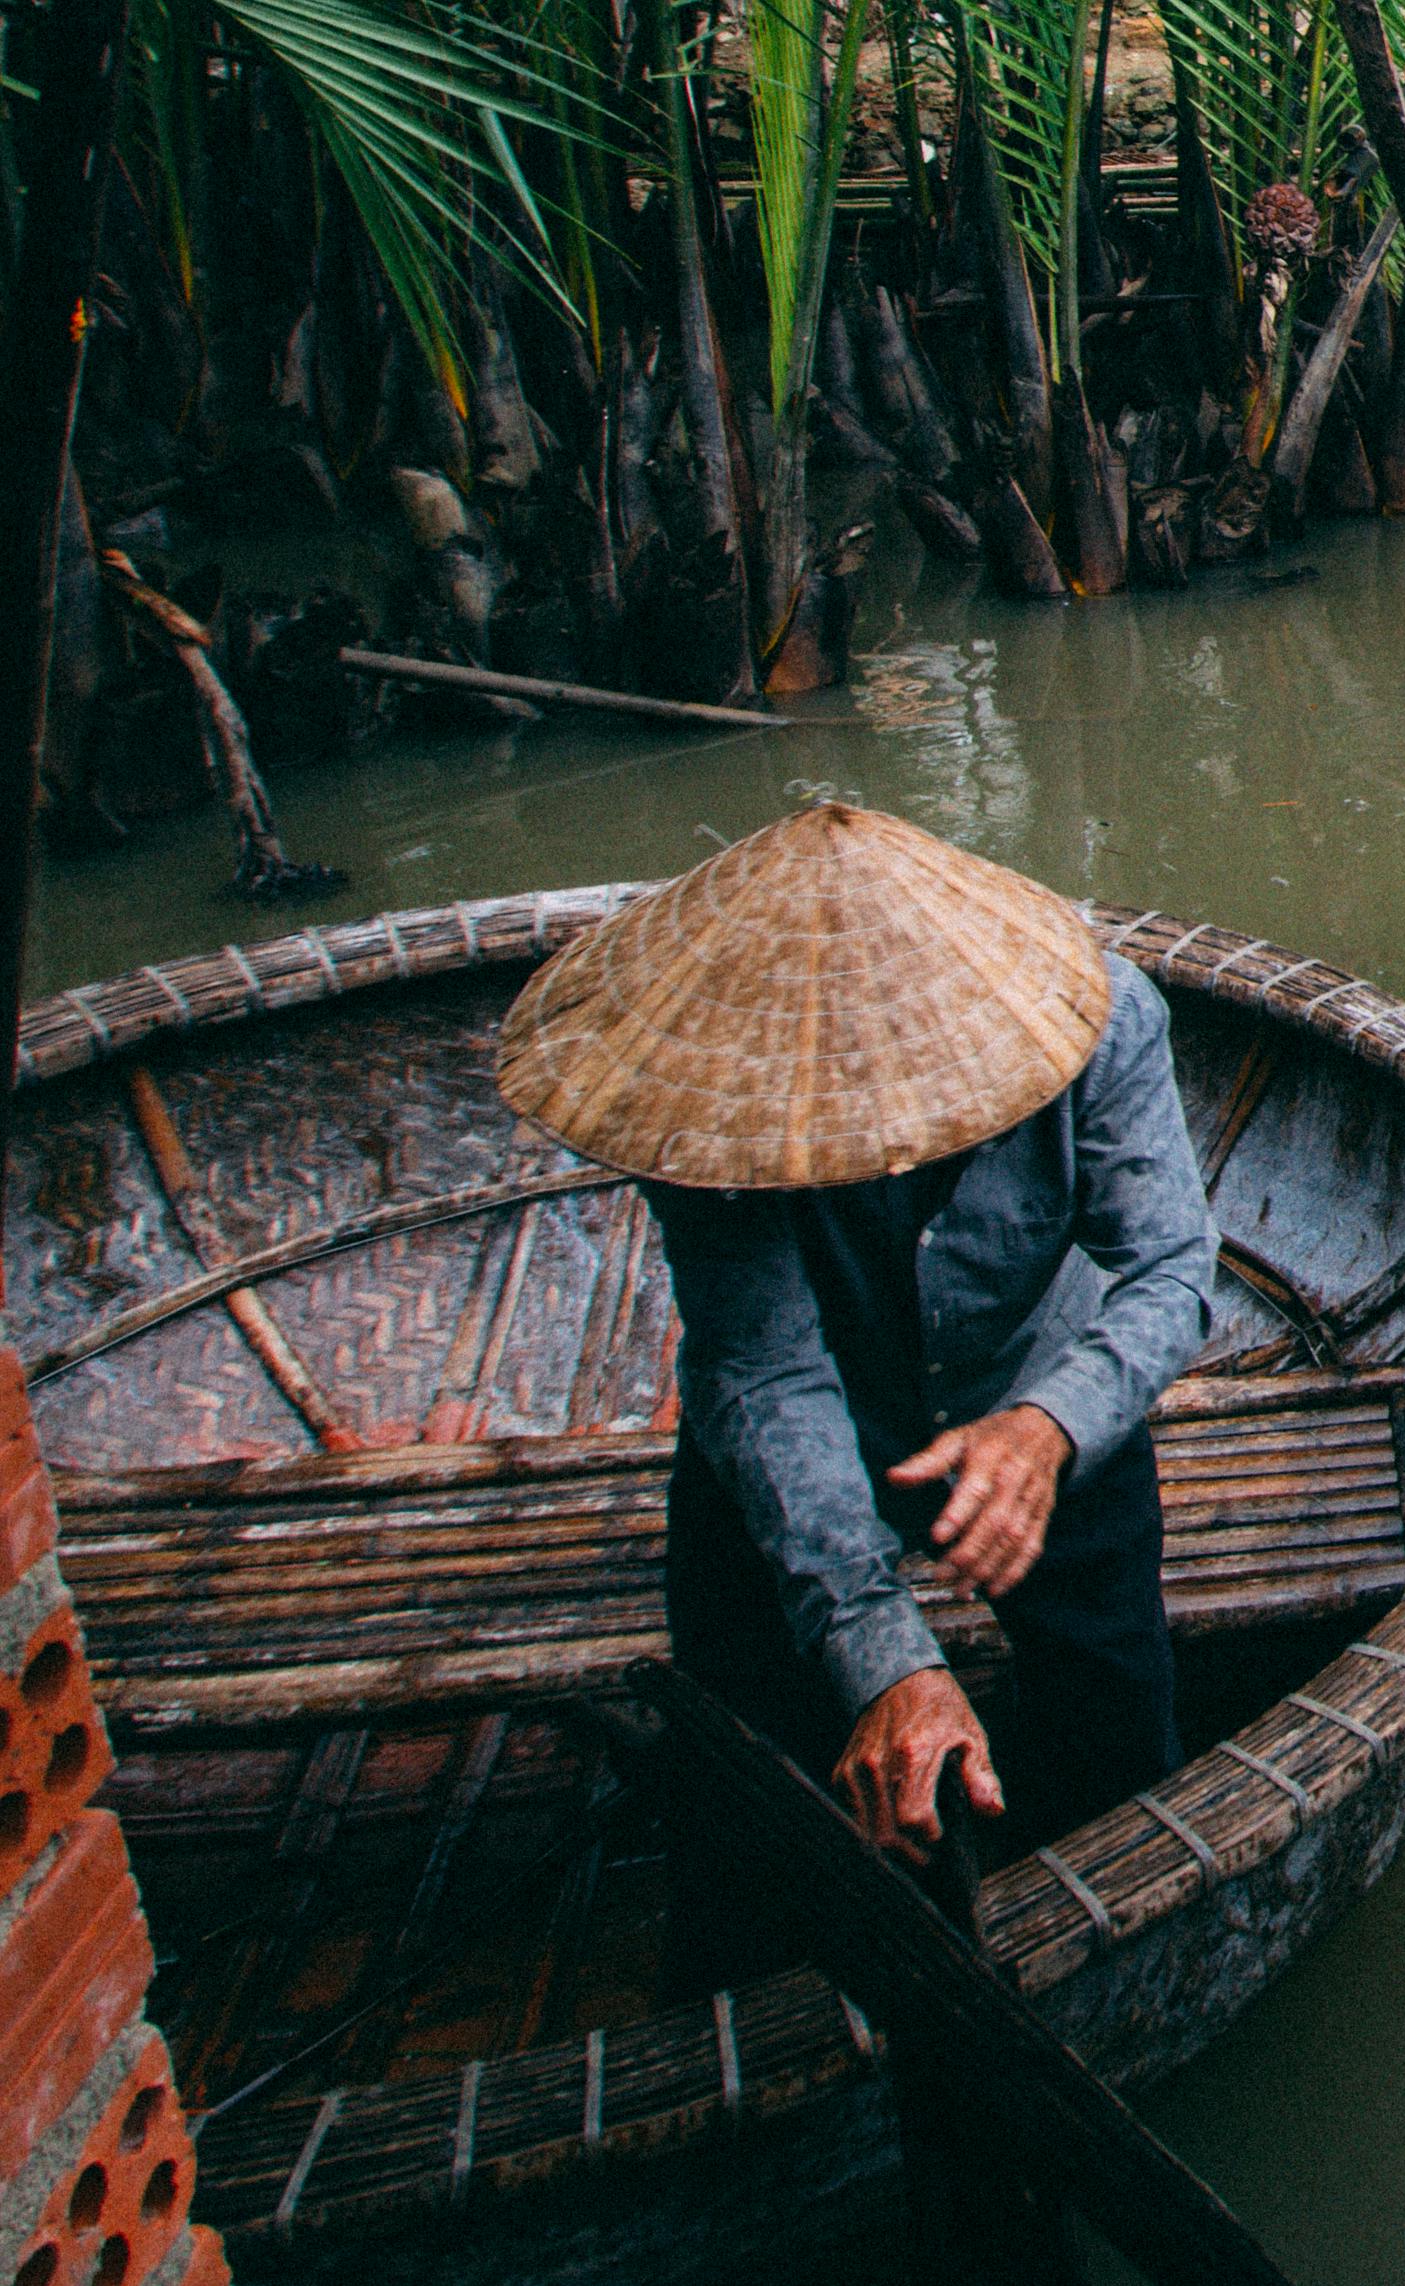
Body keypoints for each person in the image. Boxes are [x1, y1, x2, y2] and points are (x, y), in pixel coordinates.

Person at [492, 802, 1214, 1980]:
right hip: (821, 1420)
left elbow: (1172, 1270)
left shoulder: (1100, 1015)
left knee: (1115, 1743)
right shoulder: (704, 1090)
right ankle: (754, 1996)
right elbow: (764, 1368)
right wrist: (888, 1659)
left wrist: (1047, 1430)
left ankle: (1117, 1969)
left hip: (1036, 1393)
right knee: (743, 1789)